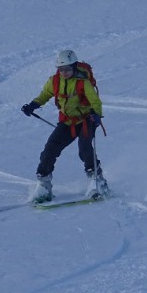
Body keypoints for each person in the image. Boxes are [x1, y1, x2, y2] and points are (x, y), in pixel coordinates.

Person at [21, 49, 109, 203]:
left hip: (87, 120)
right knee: (50, 149)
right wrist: (32, 105)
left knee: (85, 148)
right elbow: (44, 95)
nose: (64, 72)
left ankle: (98, 182)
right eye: (61, 69)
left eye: (67, 69)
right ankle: (44, 186)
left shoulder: (83, 82)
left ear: (74, 67)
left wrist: (96, 114)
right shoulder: (54, 81)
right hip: (67, 121)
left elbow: (95, 101)